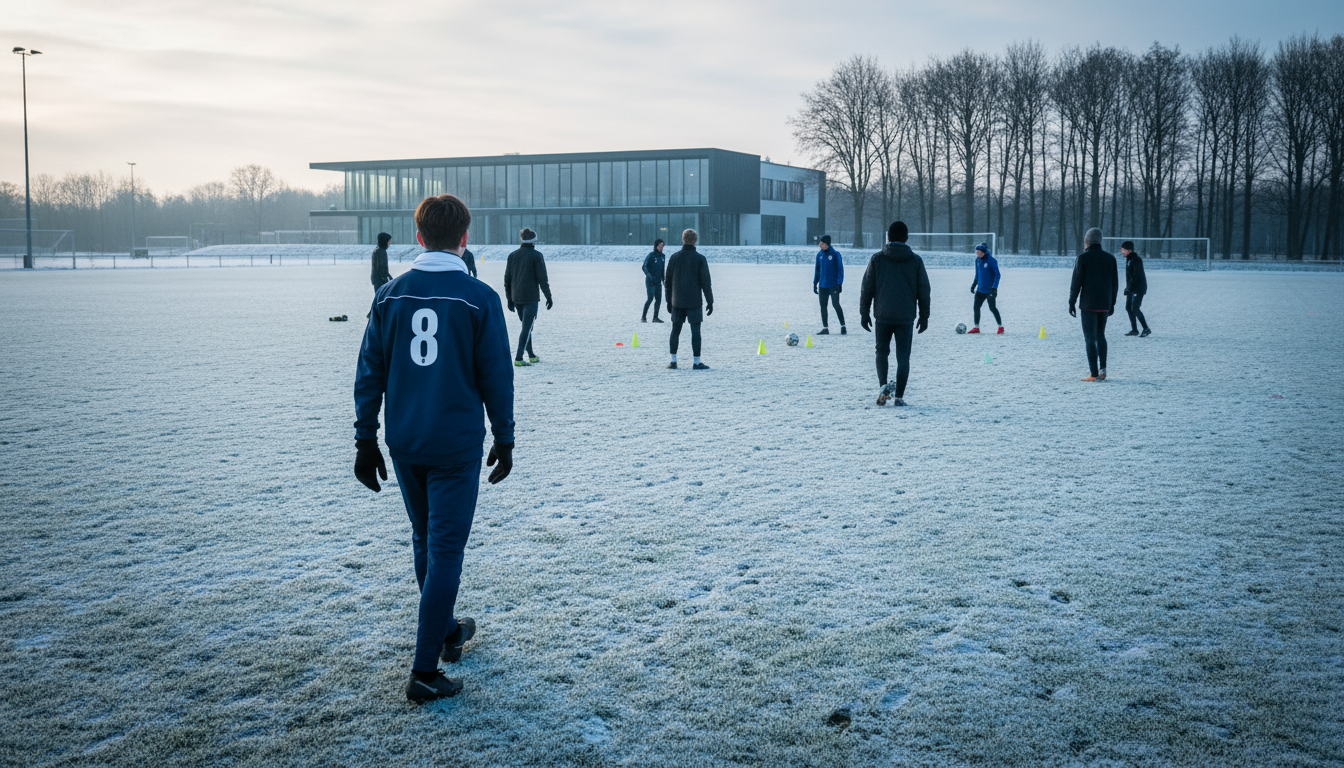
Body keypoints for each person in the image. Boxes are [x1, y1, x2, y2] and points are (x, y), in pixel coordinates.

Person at [353, 193, 515, 703]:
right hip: (455, 445)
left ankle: (445, 630)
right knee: (444, 549)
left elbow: (369, 372)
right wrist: (505, 436)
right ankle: (424, 671)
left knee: (425, 541)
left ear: (417, 236)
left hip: (404, 441)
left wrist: (365, 438)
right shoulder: (479, 297)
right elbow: (497, 377)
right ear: (464, 238)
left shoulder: (390, 295)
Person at [859, 221, 930, 406]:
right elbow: (924, 290)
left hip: (882, 314)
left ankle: (884, 387)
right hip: (905, 316)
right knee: (903, 357)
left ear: (888, 237)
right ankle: (898, 397)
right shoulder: (915, 260)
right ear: (906, 238)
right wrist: (924, 316)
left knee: (881, 352)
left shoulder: (877, 259)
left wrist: (864, 313)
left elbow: (867, 288)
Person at [1069, 227, 1120, 381]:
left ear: (1087, 241)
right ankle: (1103, 369)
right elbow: (1115, 284)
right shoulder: (1111, 259)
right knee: (1101, 335)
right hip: (1104, 303)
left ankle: (1094, 374)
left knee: (1090, 338)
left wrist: (1072, 302)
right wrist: (1112, 303)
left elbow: (1076, 282)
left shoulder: (1083, 258)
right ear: (1100, 241)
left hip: (1088, 304)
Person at [664, 228, 713, 370]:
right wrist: (710, 301)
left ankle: (673, 361)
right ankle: (696, 362)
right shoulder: (700, 259)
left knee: (675, 330)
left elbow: (668, 282)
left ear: (683, 239)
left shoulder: (674, 257)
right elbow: (706, 282)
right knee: (696, 331)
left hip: (677, 301)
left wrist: (669, 301)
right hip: (694, 301)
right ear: (695, 240)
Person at [503, 228, 552, 366]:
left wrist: (509, 298)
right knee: (527, 328)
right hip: (530, 298)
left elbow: (507, 279)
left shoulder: (512, 255)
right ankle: (519, 357)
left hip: (516, 297)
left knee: (527, 326)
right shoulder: (536, 256)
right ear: (534, 241)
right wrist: (548, 296)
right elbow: (543, 279)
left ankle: (531, 354)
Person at [813, 235, 846, 335]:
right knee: (823, 306)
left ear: (827, 244)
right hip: (822, 285)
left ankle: (843, 326)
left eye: (822, 243)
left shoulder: (835, 254)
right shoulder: (819, 255)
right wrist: (815, 283)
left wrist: (839, 283)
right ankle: (825, 328)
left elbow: (840, 269)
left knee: (836, 304)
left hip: (833, 285)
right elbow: (817, 270)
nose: (820, 244)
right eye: (820, 242)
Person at [968, 243, 1003, 334]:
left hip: (990, 290)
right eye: (976, 253)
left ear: (984, 252)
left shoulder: (992, 261)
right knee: (976, 307)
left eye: (979, 253)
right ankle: (976, 327)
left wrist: (994, 288)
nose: (978, 254)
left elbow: (997, 275)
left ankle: (1000, 327)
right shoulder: (977, 260)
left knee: (992, 308)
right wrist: (974, 285)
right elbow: (977, 274)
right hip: (980, 290)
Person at [1121, 241, 1151, 337]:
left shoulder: (1136, 260)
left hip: (1138, 289)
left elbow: (1136, 276)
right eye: (1121, 250)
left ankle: (1146, 328)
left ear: (1130, 250)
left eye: (1124, 250)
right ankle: (1134, 330)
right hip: (1131, 288)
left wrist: (1129, 288)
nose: (1122, 252)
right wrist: (1128, 288)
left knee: (1135, 308)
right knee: (1128, 307)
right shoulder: (1129, 259)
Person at [368, 232, 392, 318]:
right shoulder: (380, 251)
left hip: (377, 278)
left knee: (380, 296)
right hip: (379, 279)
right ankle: (375, 313)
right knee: (381, 297)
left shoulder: (378, 250)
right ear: (384, 241)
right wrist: (386, 279)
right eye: (389, 242)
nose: (390, 243)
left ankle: (376, 313)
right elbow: (380, 267)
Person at [642, 239, 666, 323]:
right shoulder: (651, 255)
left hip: (658, 281)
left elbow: (662, 269)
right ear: (656, 246)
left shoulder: (663, 256)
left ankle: (655, 317)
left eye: (662, 246)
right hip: (650, 281)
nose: (661, 248)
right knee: (650, 298)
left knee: (658, 299)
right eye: (660, 246)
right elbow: (644, 267)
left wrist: (663, 279)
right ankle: (643, 317)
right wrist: (649, 276)